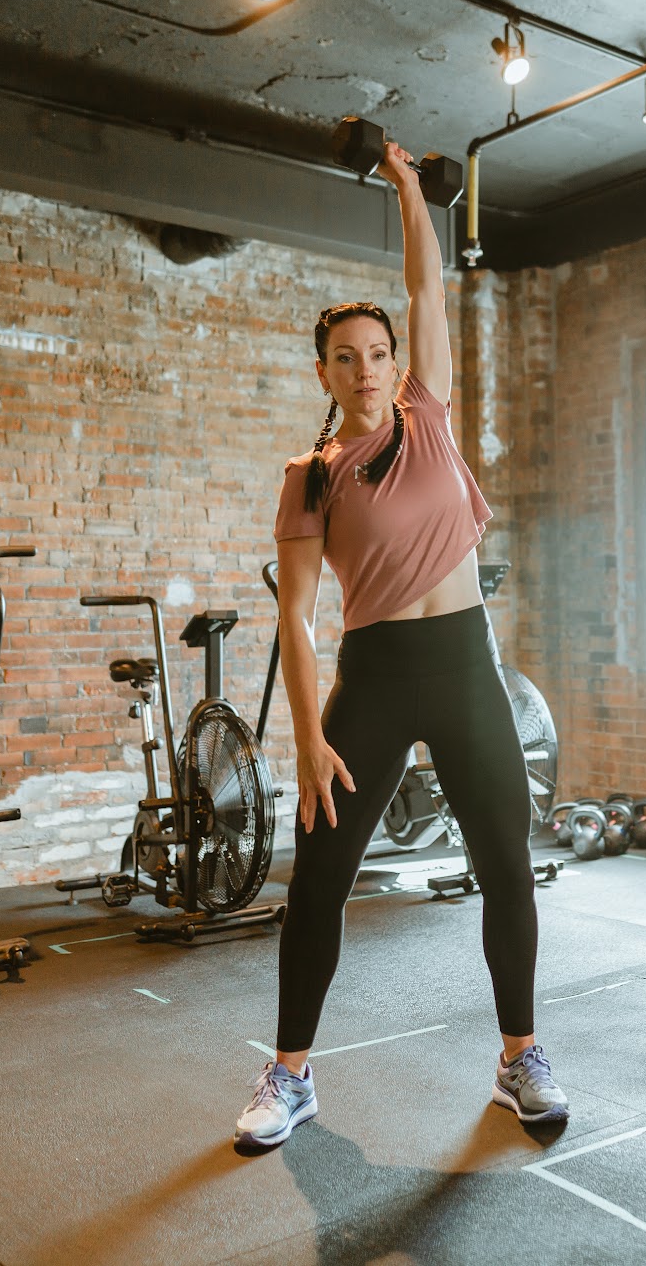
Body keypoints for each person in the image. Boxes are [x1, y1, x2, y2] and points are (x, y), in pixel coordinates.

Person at [235, 140, 567, 1149]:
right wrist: (305, 737)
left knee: (506, 864)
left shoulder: (426, 415)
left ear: (397, 361)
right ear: (324, 372)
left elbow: (427, 283)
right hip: (373, 677)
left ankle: (520, 1058)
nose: (367, 368)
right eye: (346, 357)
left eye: (378, 352)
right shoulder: (309, 476)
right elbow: (295, 616)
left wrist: (409, 188)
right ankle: (290, 1074)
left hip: (465, 666)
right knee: (319, 881)